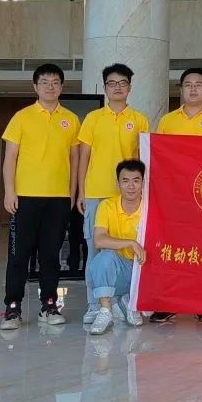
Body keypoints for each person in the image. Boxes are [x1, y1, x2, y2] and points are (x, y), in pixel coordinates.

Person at [0, 63, 80, 330]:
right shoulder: (21, 117)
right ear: (35, 86)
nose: (50, 87)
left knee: (50, 256)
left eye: (55, 82)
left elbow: (74, 160)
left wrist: (71, 194)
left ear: (62, 87)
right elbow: (10, 157)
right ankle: (12, 308)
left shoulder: (71, 119)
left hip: (58, 199)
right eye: (44, 82)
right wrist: (9, 191)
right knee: (19, 256)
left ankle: (49, 304)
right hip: (25, 198)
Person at [151, 67, 202, 324]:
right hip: (175, 196)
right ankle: (169, 303)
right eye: (188, 84)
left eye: (198, 84)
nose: (193, 89)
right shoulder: (167, 121)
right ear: (181, 89)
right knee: (173, 249)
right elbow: (159, 157)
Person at [76, 63, 150, 326]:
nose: (117, 87)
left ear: (129, 87)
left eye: (122, 83)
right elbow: (83, 156)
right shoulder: (93, 118)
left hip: (130, 195)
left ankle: (127, 299)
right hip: (97, 192)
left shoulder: (139, 119)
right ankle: (94, 305)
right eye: (112, 83)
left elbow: (144, 159)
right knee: (94, 251)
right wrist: (81, 191)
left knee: (134, 250)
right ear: (105, 87)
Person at [86, 159, 147, 335]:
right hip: (120, 269)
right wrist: (130, 243)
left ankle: (131, 302)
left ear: (143, 182)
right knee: (103, 258)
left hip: (143, 269)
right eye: (125, 181)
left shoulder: (149, 207)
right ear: (117, 183)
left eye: (136, 180)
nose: (131, 186)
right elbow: (99, 240)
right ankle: (105, 310)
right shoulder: (107, 206)